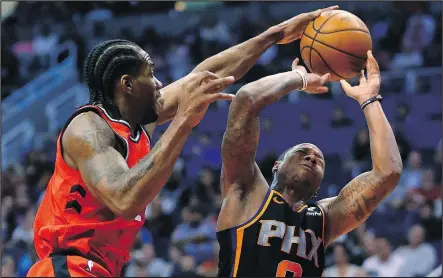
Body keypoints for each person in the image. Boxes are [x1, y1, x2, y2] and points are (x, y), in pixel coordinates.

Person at [27, 5, 339, 277]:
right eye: (150, 75)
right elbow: (125, 199)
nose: (160, 82)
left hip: (101, 268)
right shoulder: (89, 128)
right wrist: (184, 119)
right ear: (128, 85)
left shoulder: (138, 120)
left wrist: (274, 35)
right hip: (68, 267)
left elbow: (206, 74)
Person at [216, 50, 403, 277]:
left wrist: (369, 99)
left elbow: (388, 173)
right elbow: (246, 100)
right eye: (302, 153)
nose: (312, 157)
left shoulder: (324, 219)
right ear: (277, 165)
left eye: (319, 160)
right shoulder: (245, 192)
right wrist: (299, 79)